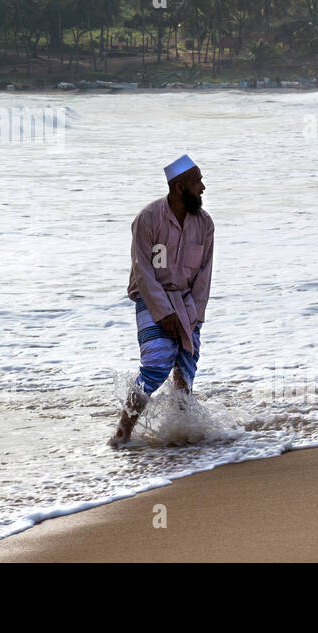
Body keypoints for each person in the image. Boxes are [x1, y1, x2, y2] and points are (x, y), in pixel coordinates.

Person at [110, 155, 213, 447]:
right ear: (179, 188)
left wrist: (195, 315)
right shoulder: (148, 218)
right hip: (150, 297)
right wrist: (163, 312)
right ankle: (122, 432)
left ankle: (182, 434)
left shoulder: (205, 224)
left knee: (185, 368)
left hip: (187, 302)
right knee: (156, 364)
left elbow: (203, 275)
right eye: (197, 182)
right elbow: (143, 270)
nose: (203, 188)